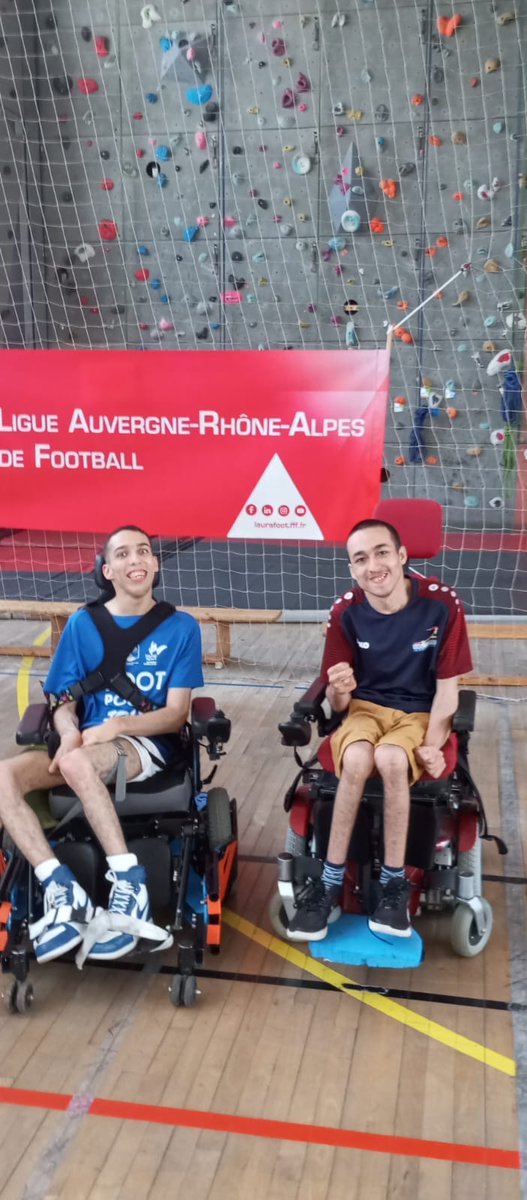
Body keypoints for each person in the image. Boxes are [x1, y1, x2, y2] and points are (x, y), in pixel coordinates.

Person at [0, 525, 204, 964]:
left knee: (76, 765)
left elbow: (175, 715)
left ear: (154, 565)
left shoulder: (181, 627)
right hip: (84, 742)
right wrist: (69, 728)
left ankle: (130, 886)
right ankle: (60, 887)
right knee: (3, 777)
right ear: (107, 569)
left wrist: (117, 726)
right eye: (124, 554)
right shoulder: (81, 624)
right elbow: (60, 699)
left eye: (145, 552)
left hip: (144, 745)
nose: (137, 560)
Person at [287, 518, 473, 942]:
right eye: (361, 558)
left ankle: (394, 884)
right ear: (352, 569)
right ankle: (329, 884)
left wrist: (432, 745)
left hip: (419, 714)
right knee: (354, 757)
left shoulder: (442, 604)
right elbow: (338, 705)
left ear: (402, 556)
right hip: (366, 709)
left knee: (390, 758)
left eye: (382, 552)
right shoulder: (345, 611)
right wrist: (339, 691)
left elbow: (448, 692)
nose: (373, 565)